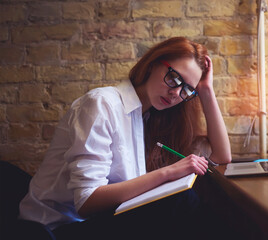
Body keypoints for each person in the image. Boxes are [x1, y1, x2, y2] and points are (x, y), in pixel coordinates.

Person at [18, 37, 232, 239]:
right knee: (182, 202)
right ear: (152, 64)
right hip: (54, 229)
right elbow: (86, 202)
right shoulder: (101, 104)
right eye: (174, 78)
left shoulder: (146, 117)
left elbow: (221, 157)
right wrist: (167, 173)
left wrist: (205, 90)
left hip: (96, 221)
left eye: (187, 89)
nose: (176, 93)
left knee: (200, 203)